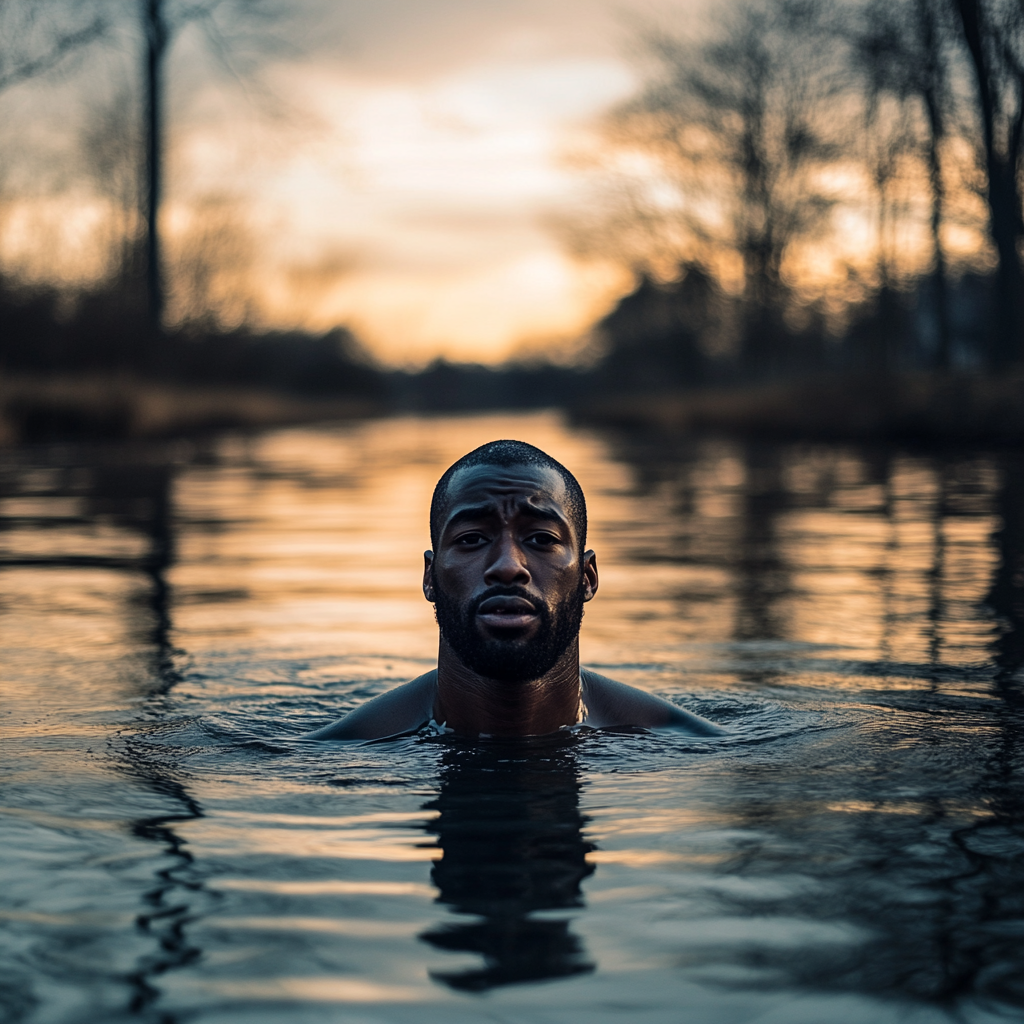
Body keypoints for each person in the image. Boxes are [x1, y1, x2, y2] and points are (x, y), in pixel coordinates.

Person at [305, 439, 723, 740]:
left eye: (541, 539)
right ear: (430, 577)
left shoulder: (685, 741)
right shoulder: (342, 751)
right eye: (472, 539)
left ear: (588, 577)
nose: (508, 567)